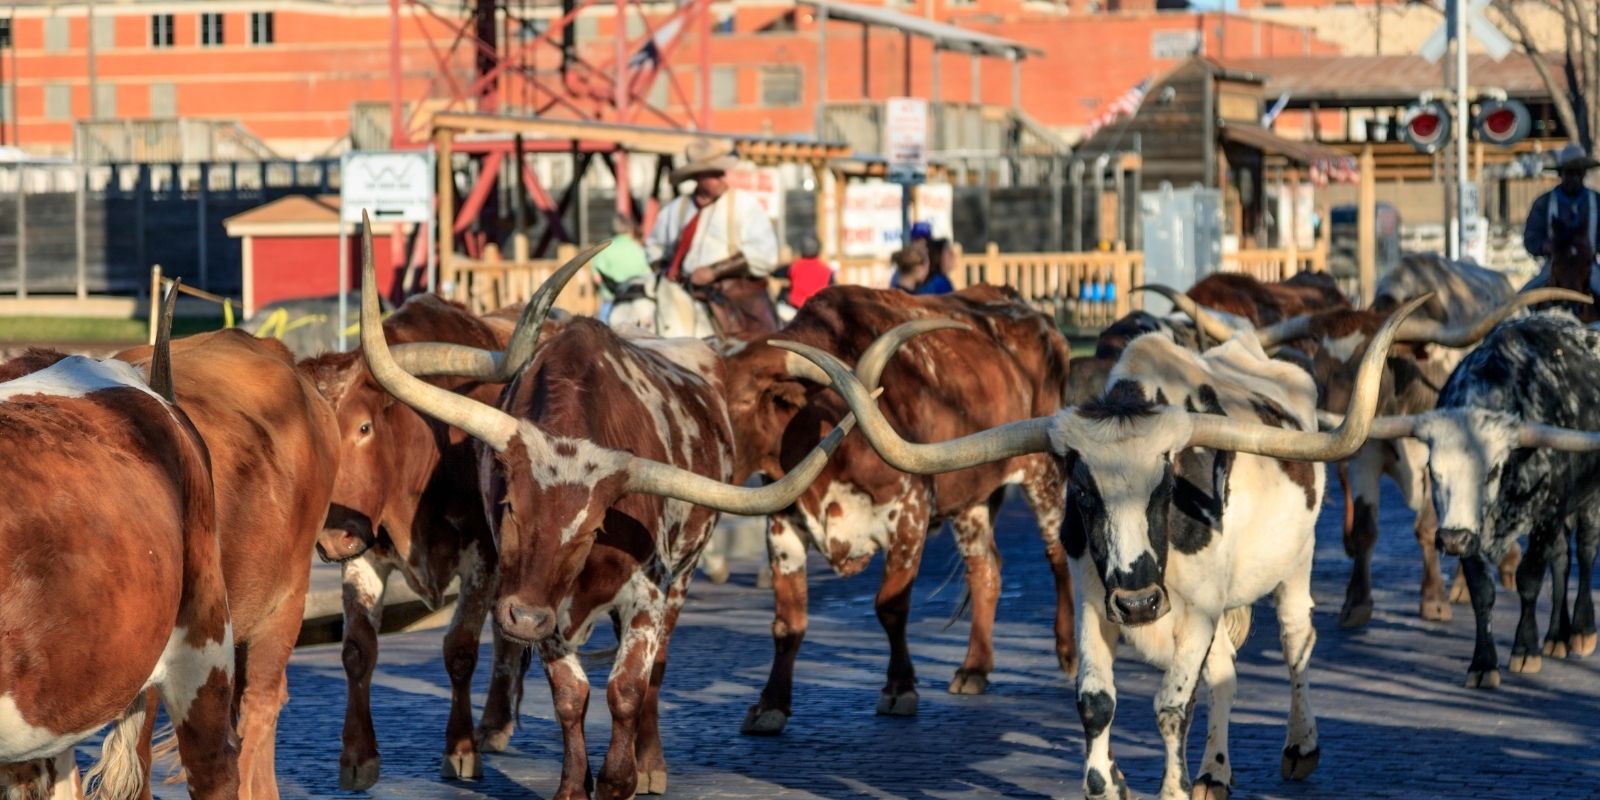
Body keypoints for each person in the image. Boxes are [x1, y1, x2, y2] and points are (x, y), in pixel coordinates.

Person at [644, 138, 780, 337]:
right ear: (698, 178)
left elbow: (765, 256)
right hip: (686, 294)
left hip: (737, 298)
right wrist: (668, 276)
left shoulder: (745, 205)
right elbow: (654, 248)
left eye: (721, 173)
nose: (722, 179)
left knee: (762, 350)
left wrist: (714, 271)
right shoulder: (675, 210)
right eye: (714, 175)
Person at [1522, 143, 1600, 294]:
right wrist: (1545, 246)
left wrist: (1588, 248)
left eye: (1579, 173)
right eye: (1569, 172)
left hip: (1589, 267)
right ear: (1560, 174)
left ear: (1584, 174)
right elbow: (1530, 238)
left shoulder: (1597, 201)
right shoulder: (1543, 203)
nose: (1574, 178)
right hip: (1553, 266)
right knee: (1524, 299)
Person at [590, 213, 651, 324]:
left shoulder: (603, 249)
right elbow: (648, 275)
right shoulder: (638, 248)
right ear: (629, 228)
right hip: (639, 302)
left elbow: (597, 278)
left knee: (604, 338)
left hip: (612, 303)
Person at [784, 235, 834, 310]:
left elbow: (774, 273)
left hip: (796, 307)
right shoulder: (827, 269)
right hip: (818, 307)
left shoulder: (793, 266)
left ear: (801, 250)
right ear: (818, 250)